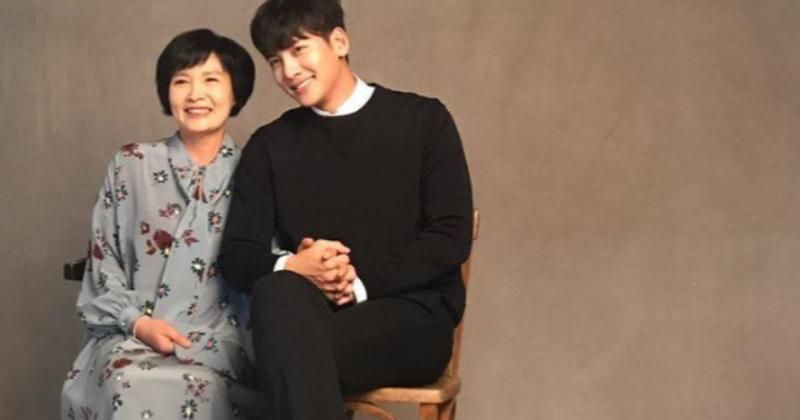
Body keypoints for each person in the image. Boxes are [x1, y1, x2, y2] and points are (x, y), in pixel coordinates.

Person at [218, 0, 474, 418]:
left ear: (339, 41)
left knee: (284, 355)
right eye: (275, 61)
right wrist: (295, 266)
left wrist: (357, 282)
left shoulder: (424, 120)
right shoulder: (270, 146)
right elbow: (236, 255)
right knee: (278, 295)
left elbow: (450, 236)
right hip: (307, 318)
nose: (288, 71)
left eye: (298, 49)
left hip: (411, 317)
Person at [61, 29, 259, 420]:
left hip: (221, 339)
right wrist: (138, 324)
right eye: (181, 81)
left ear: (236, 93)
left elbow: (263, 266)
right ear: (166, 93)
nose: (195, 94)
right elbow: (104, 262)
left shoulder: (255, 172)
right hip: (132, 333)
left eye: (211, 80)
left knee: (208, 386)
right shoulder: (131, 164)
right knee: (128, 379)